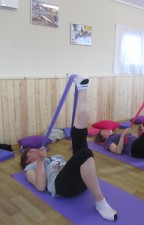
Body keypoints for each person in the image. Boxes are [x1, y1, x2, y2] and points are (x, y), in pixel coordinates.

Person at [20, 76, 118, 221]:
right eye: (31, 152)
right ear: (28, 160)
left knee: (78, 133)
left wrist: (74, 153)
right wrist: (40, 161)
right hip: (62, 188)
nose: (35, 150)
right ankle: (101, 203)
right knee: (85, 152)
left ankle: (82, 88)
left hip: (80, 182)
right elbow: (40, 186)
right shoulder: (30, 169)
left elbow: (71, 168)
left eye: (34, 149)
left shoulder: (56, 157)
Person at [94, 80, 144, 169]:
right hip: (136, 151)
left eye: (104, 129)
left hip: (143, 147)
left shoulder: (115, 135)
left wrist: (140, 133)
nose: (106, 130)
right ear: (103, 138)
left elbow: (133, 140)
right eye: (104, 132)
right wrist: (123, 135)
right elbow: (118, 151)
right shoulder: (108, 141)